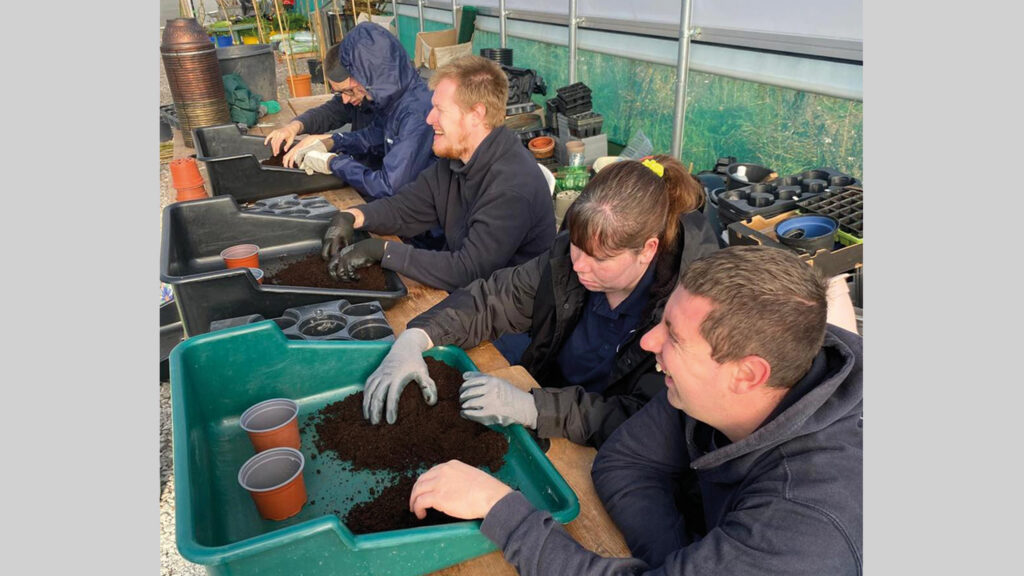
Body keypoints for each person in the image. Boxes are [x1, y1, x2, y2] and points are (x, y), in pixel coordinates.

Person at [406, 245, 864, 575]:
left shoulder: (805, 522)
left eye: (673, 337)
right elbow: (623, 461)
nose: (648, 342)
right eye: (663, 321)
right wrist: (682, 563)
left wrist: (501, 509)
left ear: (747, 374)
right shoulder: (713, 386)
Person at [360, 155, 720, 435]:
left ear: (647, 250)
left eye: (599, 259)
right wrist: (415, 338)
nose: (579, 265)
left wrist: (536, 409)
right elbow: (493, 299)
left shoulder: (684, 314)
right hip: (547, 401)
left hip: (607, 448)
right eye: (577, 246)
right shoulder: (568, 260)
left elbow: (644, 418)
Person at [318, 54, 555, 293]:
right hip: (470, 296)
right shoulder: (457, 161)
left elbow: (468, 270)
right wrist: (351, 216)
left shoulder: (512, 186)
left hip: (506, 306)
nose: (429, 118)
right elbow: (405, 208)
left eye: (439, 109)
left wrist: (383, 251)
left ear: (476, 115)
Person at [263, 23, 435, 201]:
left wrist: (332, 162)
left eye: (349, 91)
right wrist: (331, 142)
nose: (345, 99)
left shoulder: (416, 112)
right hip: (387, 193)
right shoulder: (389, 99)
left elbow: (388, 186)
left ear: (370, 75)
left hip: (415, 208)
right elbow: (371, 136)